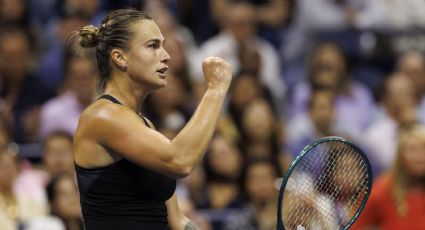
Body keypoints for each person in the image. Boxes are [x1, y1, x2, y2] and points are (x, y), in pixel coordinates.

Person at [71, 8, 231, 230]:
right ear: (119, 57)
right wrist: (215, 89)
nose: (166, 56)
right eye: (153, 46)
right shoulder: (102, 117)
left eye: (163, 45)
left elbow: (176, 221)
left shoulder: (145, 126)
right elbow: (180, 160)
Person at [352, 125, 425, 229]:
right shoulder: (381, 190)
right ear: (400, 156)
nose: (420, 156)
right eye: (413, 150)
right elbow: (356, 226)